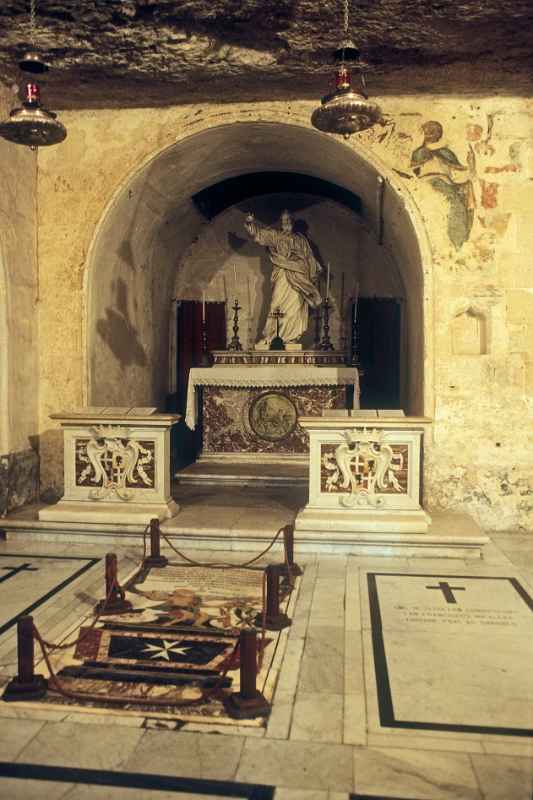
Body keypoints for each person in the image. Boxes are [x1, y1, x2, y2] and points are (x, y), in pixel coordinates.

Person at [244, 210, 322, 346]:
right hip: (282, 275)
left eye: (289, 220)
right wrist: (250, 223)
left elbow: (309, 257)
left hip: (298, 277)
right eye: (284, 221)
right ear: (281, 222)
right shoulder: (276, 235)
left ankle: (291, 338)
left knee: (295, 307)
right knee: (276, 304)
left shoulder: (301, 240)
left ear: (292, 222)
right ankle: (271, 336)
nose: (286, 223)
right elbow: (259, 235)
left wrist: (316, 269)